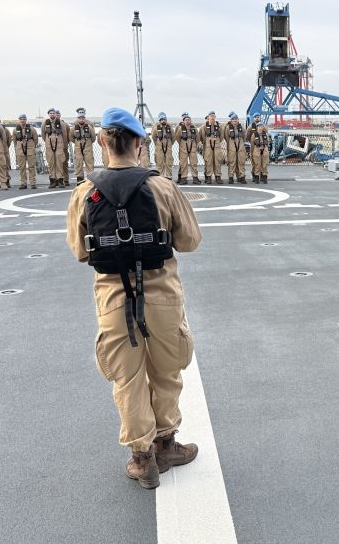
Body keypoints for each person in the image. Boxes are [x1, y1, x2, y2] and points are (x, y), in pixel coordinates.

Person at [66, 107, 202, 490]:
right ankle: (166, 443)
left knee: (127, 379)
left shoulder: (84, 192)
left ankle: (141, 459)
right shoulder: (162, 187)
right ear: (139, 144)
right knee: (166, 370)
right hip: (161, 297)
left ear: (102, 142)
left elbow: (79, 251)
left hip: (113, 300)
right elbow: (190, 241)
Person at [41, 108, 68, 188]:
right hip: (49, 144)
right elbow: (43, 134)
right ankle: (52, 181)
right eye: (51, 113)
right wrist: (47, 141)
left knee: (59, 162)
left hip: (59, 144)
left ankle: (60, 180)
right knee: (51, 163)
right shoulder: (45, 123)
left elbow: (64, 135)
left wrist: (64, 145)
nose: (52, 114)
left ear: (56, 114)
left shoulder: (61, 123)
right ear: (48, 114)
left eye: (53, 113)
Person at [13, 114, 38, 189]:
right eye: (21, 119)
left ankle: (33, 183)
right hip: (20, 150)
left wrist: (32, 146)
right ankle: (23, 183)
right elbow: (14, 140)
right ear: (19, 120)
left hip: (30, 149)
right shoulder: (15, 130)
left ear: (26, 120)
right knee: (22, 167)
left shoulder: (31, 129)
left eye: (24, 119)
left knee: (31, 167)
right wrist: (18, 147)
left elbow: (35, 139)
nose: (22, 120)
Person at [175, 113, 200, 185]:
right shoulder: (180, 128)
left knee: (194, 163)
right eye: (186, 120)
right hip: (183, 147)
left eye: (189, 120)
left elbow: (197, 138)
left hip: (193, 147)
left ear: (190, 121)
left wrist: (194, 144)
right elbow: (177, 138)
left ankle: (195, 178)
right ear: (183, 121)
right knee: (183, 164)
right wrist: (182, 144)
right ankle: (183, 178)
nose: (187, 121)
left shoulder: (194, 128)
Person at [72, 109, 96, 183]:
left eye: (82, 118)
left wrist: (88, 143)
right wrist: (77, 142)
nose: (81, 119)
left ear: (84, 118)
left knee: (89, 163)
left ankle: (90, 179)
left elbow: (93, 137)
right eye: (80, 118)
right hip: (78, 148)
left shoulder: (89, 126)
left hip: (87, 147)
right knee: (78, 163)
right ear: (77, 118)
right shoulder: (74, 127)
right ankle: (80, 179)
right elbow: (71, 137)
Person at [222, 112, 247, 184]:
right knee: (231, 162)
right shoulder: (227, 128)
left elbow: (244, 136)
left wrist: (241, 143)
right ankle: (231, 177)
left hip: (240, 146)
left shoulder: (241, 127)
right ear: (231, 121)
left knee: (241, 162)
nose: (235, 121)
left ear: (238, 120)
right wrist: (230, 144)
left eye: (236, 119)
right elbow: (226, 137)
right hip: (232, 146)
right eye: (233, 120)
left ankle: (242, 177)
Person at [199, 112, 223, 184]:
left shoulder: (219, 126)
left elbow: (221, 136)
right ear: (208, 117)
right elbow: (201, 137)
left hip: (217, 146)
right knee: (208, 161)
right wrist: (206, 143)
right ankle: (209, 177)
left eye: (213, 116)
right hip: (208, 146)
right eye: (211, 116)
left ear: (215, 117)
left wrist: (217, 142)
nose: (212, 117)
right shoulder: (204, 127)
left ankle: (218, 177)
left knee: (217, 161)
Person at [152, 113, 175, 179]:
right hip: (159, 146)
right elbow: (153, 137)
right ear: (159, 120)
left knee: (169, 161)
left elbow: (173, 137)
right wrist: (158, 144)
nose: (163, 121)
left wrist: (170, 144)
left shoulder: (170, 127)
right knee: (160, 162)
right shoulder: (156, 127)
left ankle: (169, 176)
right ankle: (160, 176)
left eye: (164, 119)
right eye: (161, 119)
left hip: (168, 145)